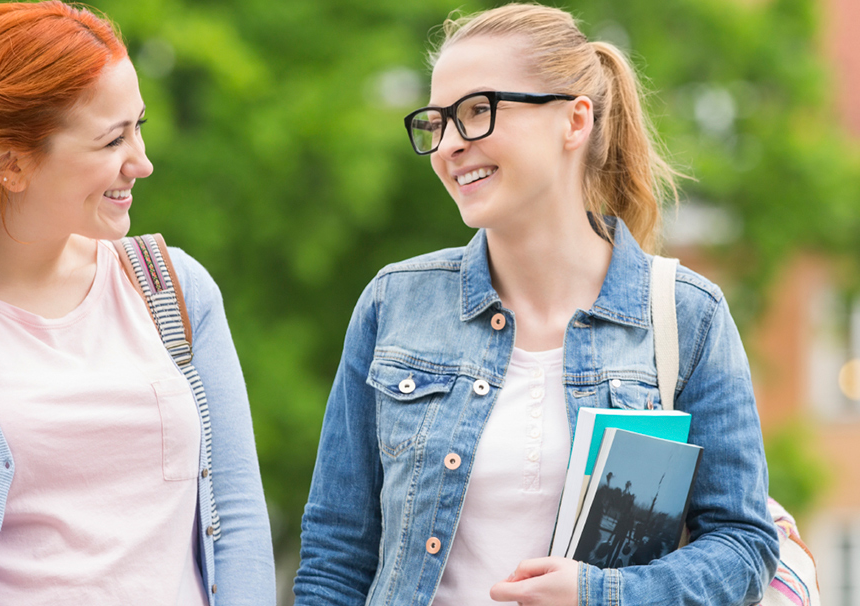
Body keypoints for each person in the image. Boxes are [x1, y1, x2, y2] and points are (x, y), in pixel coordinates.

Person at [294, 4, 778, 605]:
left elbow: (743, 544)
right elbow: (336, 556)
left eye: (477, 111)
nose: (449, 145)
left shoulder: (687, 318)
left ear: (574, 121)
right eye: (437, 122)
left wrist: (601, 594)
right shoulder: (395, 304)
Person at [0, 3, 274, 604]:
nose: (141, 161)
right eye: (111, 139)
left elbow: (239, 519)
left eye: (138, 125)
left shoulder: (174, 288)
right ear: (10, 163)